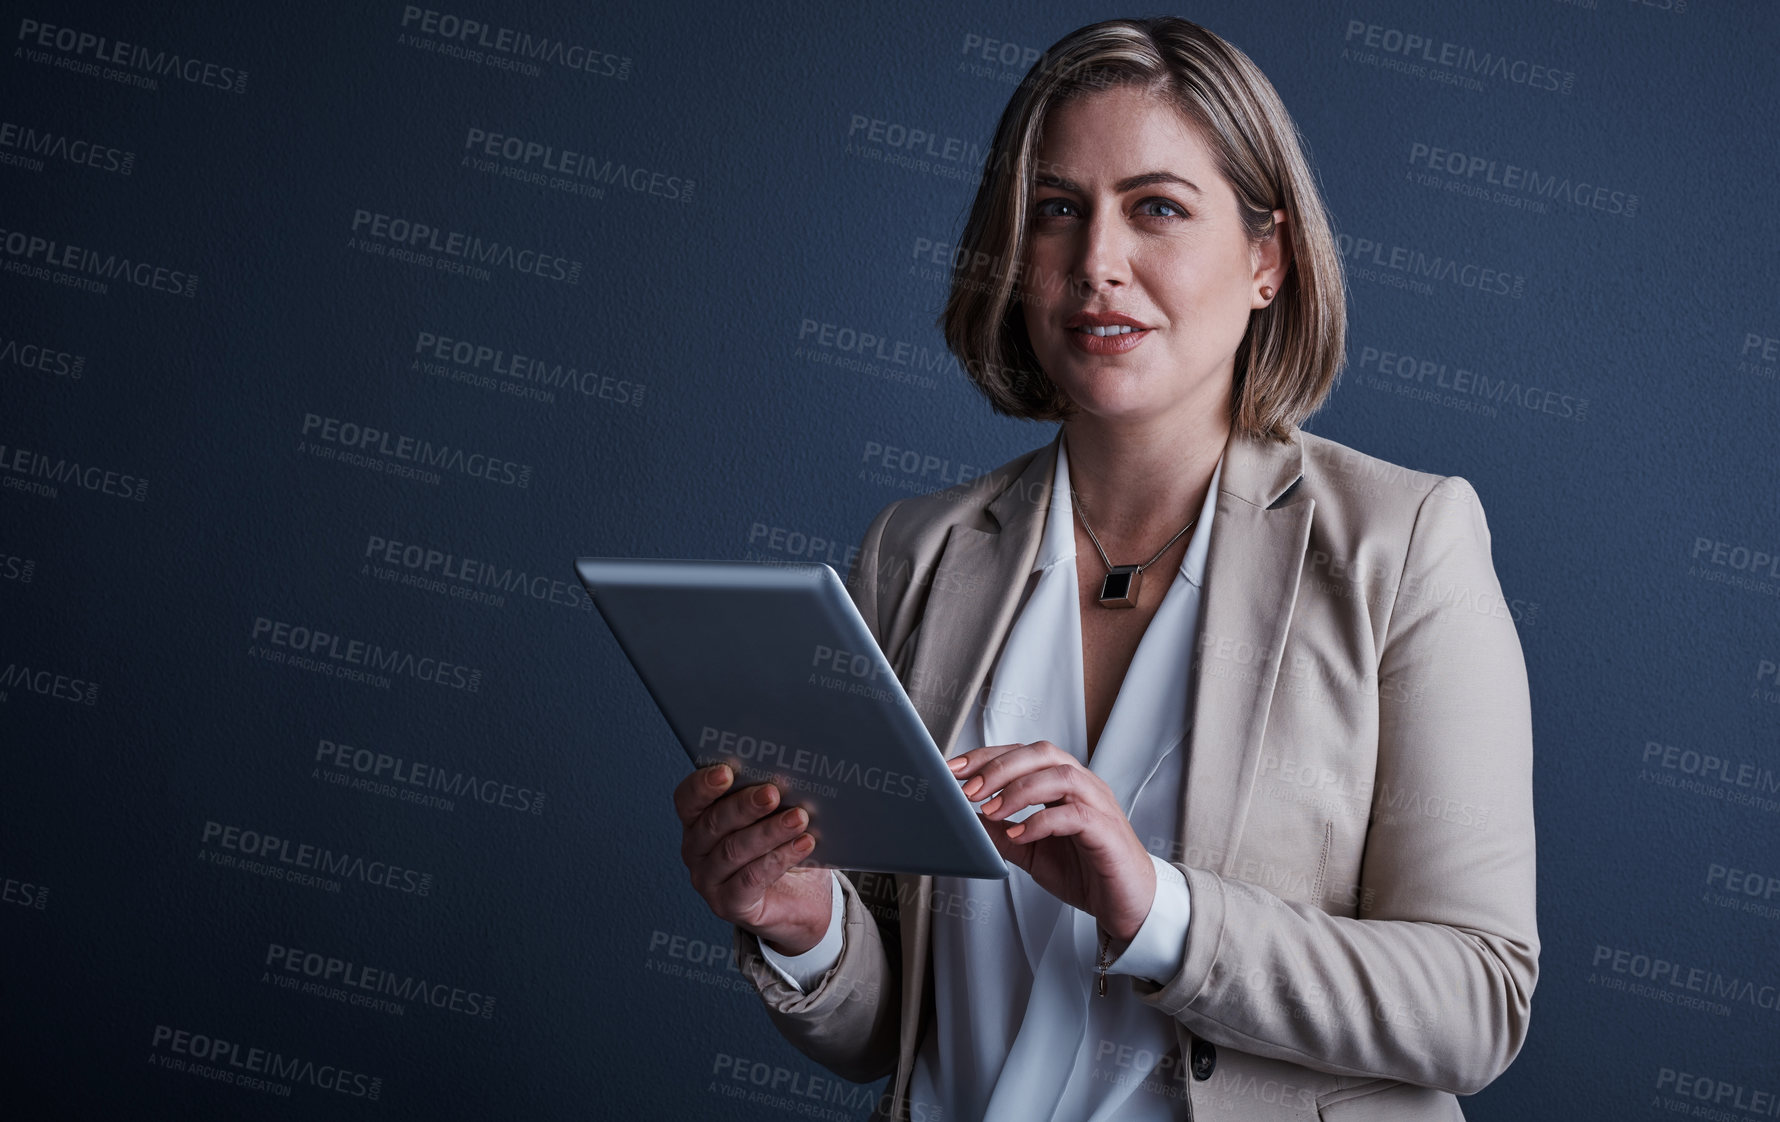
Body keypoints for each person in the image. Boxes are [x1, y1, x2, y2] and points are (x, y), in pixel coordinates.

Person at [671, 16, 1536, 1121]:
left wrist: (1160, 913)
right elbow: (894, 1023)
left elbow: (1477, 1001)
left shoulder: (1404, 541)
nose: (1097, 266)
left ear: (1266, 260)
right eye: (1056, 211)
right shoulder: (916, 551)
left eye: (1157, 209)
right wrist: (805, 924)